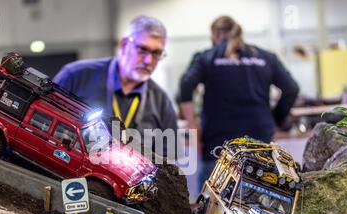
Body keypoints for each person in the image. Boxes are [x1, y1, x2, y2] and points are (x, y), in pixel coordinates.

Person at [179, 16, 299, 185]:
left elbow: (186, 85)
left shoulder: (206, 57)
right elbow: (291, 88)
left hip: (217, 145)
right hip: (259, 143)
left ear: (215, 34)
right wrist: (275, 119)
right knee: (259, 200)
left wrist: (192, 123)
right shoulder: (266, 57)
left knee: (210, 204)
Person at [54, 15, 178, 158]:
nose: (148, 60)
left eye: (157, 53)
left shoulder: (161, 102)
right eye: (142, 49)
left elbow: (169, 164)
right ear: (124, 45)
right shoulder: (75, 76)